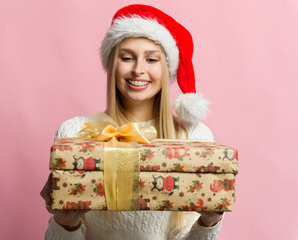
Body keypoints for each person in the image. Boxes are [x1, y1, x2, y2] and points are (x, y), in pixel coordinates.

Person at [41, 4, 224, 240]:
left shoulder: (195, 138)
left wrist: (210, 221)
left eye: (151, 59)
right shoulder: (75, 131)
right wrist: (65, 223)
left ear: (166, 68)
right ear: (112, 64)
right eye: (127, 58)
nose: (138, 69)